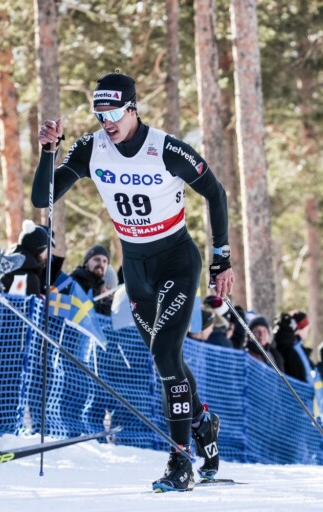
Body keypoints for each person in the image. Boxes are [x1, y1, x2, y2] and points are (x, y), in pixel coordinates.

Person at [33, 72, 234, 492]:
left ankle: (181, 459)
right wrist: (49, 152)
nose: (106, 123)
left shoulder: (166, 149)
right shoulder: (92, 148)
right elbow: (42, 198)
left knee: (165, 353)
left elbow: (216, 193)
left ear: (133, 109)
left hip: (176, 263)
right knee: (168, 362)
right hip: (136, 271)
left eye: (113, 114)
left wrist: (222, 259)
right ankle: (202, 421)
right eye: (99, 115)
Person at [70, 244, 112, 315]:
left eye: (105, 261)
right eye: (97, 260)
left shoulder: (99, 287)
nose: (101, 264)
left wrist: (106, 300)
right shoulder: (75, 281)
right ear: (86, 263)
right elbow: (86, 309)